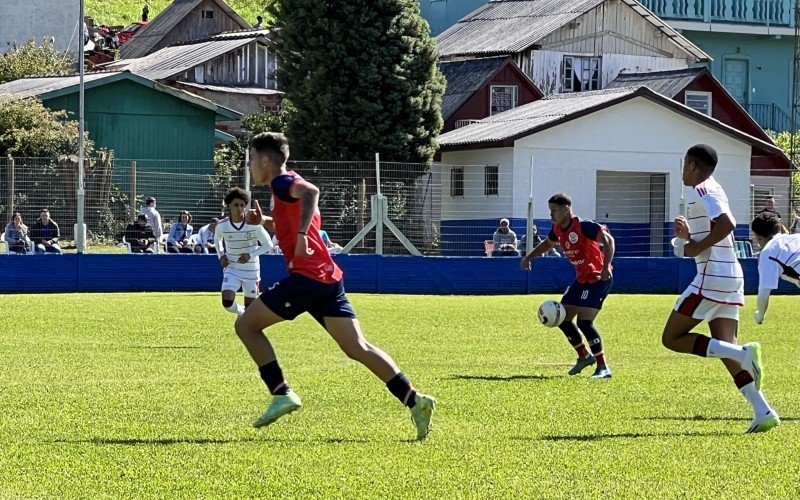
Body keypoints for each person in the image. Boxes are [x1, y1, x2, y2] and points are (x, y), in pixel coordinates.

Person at [237, 132, 435, 440]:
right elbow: (299, 218)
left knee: (246, 326)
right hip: (327, 277)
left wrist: (301, 235)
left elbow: (312, 193)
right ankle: (415, 400)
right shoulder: (286, 185)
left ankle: (281, 392)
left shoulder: (282, 183)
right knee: (358, 347)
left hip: (307, 277)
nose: (249, 167)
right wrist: (265, 223)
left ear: (265, 160)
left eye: (251, 160)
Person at [666, 144, 778, 434]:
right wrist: (689, 236)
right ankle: (762, 410)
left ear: (691, 166)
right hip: (729, 278)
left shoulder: (703, 189)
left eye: (684, 165)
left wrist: (694, 247)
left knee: (672, 338)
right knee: (724, 350)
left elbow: (727, 223)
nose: (682, 171)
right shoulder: (712, 189)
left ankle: (744, 353)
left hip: (711, 278)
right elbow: (716, 226)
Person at [520, 193, 615, 379]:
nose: (551, 215)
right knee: (562, 318)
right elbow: (548, 243)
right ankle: (584, 356)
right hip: (581, 280)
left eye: (554, 210)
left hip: (597, 278)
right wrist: (529, 257)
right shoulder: (557, 229)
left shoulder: (584, 226)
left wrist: (605, 268)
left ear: (566, 209)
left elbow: (609, 241)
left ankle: (603, 367)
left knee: (584, 322)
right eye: (550, 211)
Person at [215, 188, 273, 316]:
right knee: (227, 302)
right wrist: (221, 256)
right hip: (232, 267)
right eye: (236, 205)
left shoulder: (253, 224)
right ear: (229, 205)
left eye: (242, 205)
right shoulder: (222, 225)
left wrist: (250, 255)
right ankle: (240, 311)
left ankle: (246, 315)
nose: (239, 208)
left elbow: (268, 244)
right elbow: (217, 240)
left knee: (251, 309)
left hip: (251, 270)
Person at [751, 212, 800, 325]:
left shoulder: (768, 252)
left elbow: (764, 293)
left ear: (758, 237)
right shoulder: (796, 237)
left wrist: (760, 315)